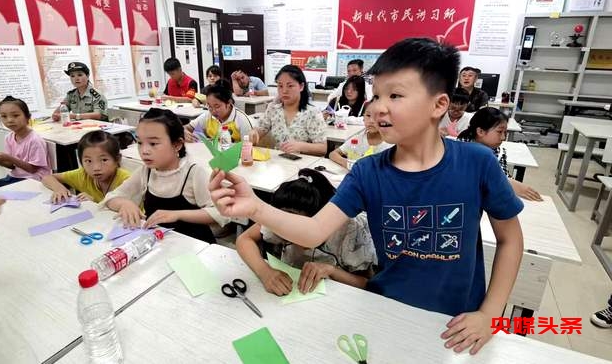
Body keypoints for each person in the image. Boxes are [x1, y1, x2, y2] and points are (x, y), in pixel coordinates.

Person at [210, 38, 525, 355]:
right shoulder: (367, 172)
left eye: (396, 95)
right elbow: (314, 229)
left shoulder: (476, 163)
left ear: (439, 105)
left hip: (457, 322)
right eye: (377, 95)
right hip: (382, 307)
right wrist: (256, 207)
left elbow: (510, 240)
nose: (378, 107)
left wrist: (490, 314)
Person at [237, 169, 376, 295]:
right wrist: (265, 272)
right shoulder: (281, 220)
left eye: (296, 226)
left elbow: (366, 284)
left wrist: (332, 271)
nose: (286, 231)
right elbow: (244, 239)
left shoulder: (350, 232)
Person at [103, 108, 228, 244]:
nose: (144, 151)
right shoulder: (146, 171)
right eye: (139, 142)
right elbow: (111, 198)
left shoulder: (193, 172)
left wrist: (177, 215)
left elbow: (219, 213)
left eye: (153, 143)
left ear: (177, 145)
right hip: (159, 244)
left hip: (195, 246)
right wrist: (124, 203)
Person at [457, 107, 543, 202]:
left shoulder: (498, 151)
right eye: (499, 132)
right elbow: (468, 178)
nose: (503, 137)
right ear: (480, 131)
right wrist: (507, 183)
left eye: (505, 132)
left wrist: (509, 183)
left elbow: (502, 173)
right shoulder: (461, 149)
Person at [248, 65, 327, 156]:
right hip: (278, 164)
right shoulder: (273, 108)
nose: (284, 91)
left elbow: (323, 148)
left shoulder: (312, 113)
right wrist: (254, 132)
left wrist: (300, 146)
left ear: (301, 86)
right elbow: (261, 128)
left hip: (303, 165)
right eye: (280, 86)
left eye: (290, 86)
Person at [0, 96, 51, 188]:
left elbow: (32, 169)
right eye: (4, 116)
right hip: (16, 177)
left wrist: (8, 157)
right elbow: (11, 166)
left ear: (27, 116)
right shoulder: (9, 137)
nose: (9, 120)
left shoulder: (35, 140)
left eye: (15, 115)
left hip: (34, 179)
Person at [42, 131, 130, 203]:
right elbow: (47, 177)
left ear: (117, 159)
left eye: (104, 160)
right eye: (88, 161)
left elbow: (132, 213)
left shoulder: (127, 181)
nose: (96, 168)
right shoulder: (83, 175)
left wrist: (94, 203)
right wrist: (59, 188)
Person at [184, 79, 253, 143]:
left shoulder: (242, 120)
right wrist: (184, 132)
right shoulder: (208, 115)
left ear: (228, 103)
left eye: (217, 106)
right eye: (209, 106)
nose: (213, 111)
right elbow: (188, 127)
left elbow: (249, 147)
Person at [329, 101, 392, 168]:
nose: (371, 121)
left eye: (377, 116)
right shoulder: (357, 139)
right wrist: (347, 163)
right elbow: (332, 154)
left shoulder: (390, 145)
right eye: (368, 115)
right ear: (363, 118)